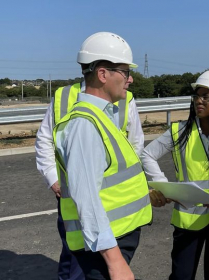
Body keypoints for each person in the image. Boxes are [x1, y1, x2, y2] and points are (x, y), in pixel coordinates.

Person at [35, 32, 144, 279]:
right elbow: (87, 198)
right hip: (100, 230)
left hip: (109, 225)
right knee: (75, 267)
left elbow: (132, 149)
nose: (131, 79)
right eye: (125, 72)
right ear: (103, 74)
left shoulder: (111, 108)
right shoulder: (84, 122)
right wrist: (115, 262)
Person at [140, 70, 209, 280]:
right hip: (188, 219)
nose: (199, 101)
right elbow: (147, 154)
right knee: (181, 276)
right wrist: (162, 185)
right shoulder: (179, 131)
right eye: (197, 96)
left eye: (206, 97)